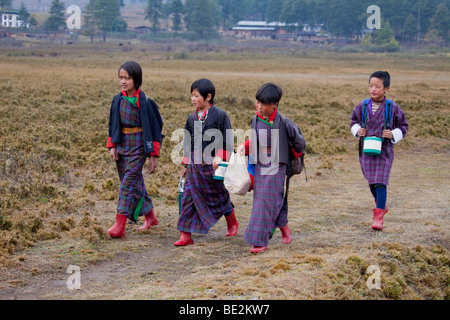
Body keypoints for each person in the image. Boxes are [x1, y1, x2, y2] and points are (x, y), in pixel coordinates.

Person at [237, 83, 306, 253]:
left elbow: (300, 143)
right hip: (261, 164)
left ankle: (260, 242)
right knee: (268, 199)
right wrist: (244, 147)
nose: (260, 107)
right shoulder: (255, 120)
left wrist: (290, 156)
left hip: (277, 165)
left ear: (275, 104)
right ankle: (284, 227)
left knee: (265, 202)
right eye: (258, 102)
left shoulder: (284, 122)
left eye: (264, 104)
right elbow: (255, 141)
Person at [174, 78, 238, 246]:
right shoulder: (191, 118)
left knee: (219, 195)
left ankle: (232, 222)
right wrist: (186, 165)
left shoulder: (220, 115)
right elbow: (188, 142)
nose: (193, 99)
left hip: (214, 166)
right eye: (192, 96)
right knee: (188, 197)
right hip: (195, 167)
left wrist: (220, 156)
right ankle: (185, 235)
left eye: (196, 96)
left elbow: (228, 140)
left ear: (208, 96)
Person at [106, 61, 164, 238]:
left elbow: (156, 128)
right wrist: (112, 145)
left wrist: (153, 155)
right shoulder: (118, 100)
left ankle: (119, 224)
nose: (123, 81)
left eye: (127, 78)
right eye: (121, 78)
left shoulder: (146, 102)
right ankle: (150, 216)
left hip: (139, 147)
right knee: (135, 184)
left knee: (127, 184)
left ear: (136, 79)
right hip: (123, 146)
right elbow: (112, 124)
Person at [350, 71, 408, 231]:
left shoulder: (392, 107)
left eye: (377, 86)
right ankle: (381, 205)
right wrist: (357, 130)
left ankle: (378, 218)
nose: (373, 89)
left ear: (386, 89)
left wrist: (393, 134)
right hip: (366, 149)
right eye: (371, 85)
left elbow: (403, 126)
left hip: (385, 150)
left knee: (381, 181)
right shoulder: (362, 105)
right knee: (371, 180)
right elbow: (353, 120)